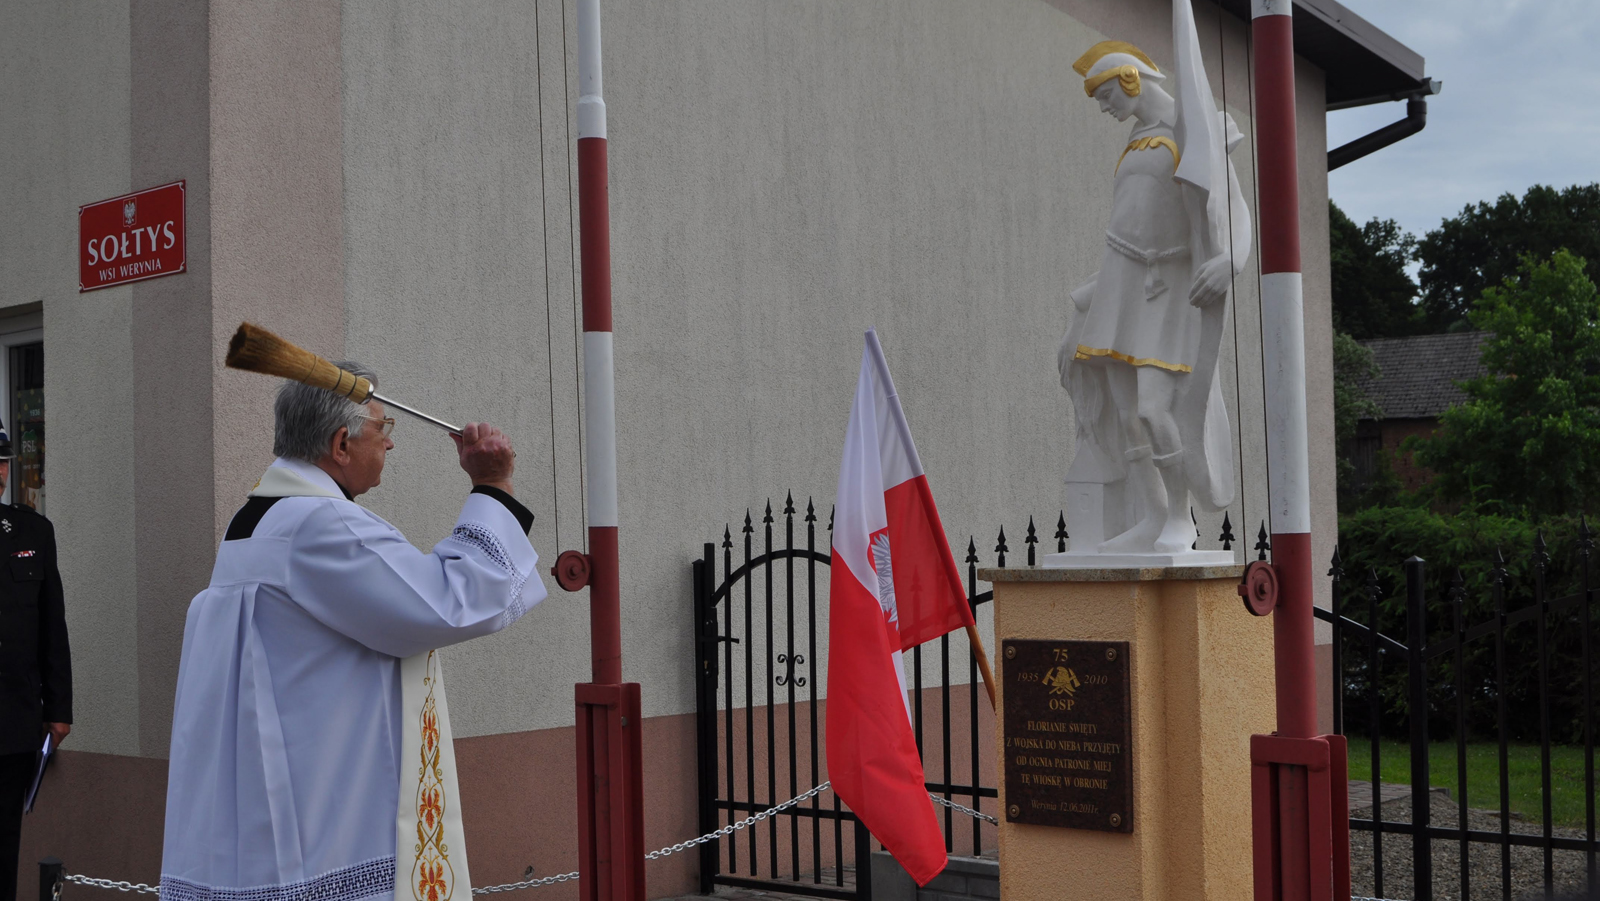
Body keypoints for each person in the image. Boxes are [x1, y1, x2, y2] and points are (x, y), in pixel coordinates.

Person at [160, 363, 547, 901]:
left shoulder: (257, 518)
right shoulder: (321, 524)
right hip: (327, 809)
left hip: (269, 792)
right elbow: (446, 603)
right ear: (341, 443)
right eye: (383, 430)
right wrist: (493, 488)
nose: (390, 446)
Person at [1056, 29, 1251, 554]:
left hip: (1167, 291)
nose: (1105, 109)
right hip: (1120, 285)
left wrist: (1231, 260)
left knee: (1152, 408)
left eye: (1106, 97)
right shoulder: (1137, 141)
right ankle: (1155, 516)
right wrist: (1089, 295)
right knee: (1125, 415)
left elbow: (1233, 211)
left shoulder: (1198, 133)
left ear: (1129, 78)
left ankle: (1181, 519)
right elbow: (1130, 224)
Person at [0, 418, 70, 901]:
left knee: (5, 851)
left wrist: (59, 710)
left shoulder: (32, 531)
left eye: (2, 462)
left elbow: (52, 625)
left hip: (12, 723)